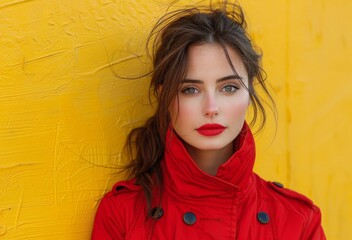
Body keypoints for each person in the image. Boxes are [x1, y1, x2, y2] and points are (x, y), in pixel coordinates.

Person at [92, 2, 326, 239]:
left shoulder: (297, 221)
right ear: (164, 96)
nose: (211, 108)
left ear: (249, 91)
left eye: (229, 87)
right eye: (190, 90)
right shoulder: (122, 214)